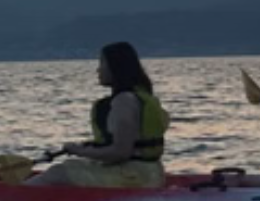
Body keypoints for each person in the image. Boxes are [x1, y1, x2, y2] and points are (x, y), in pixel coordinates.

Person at [30, 41, 169, 187]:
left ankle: (18, 194)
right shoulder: (141, 96)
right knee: (73, 165)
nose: (98, 70)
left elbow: (120, 153)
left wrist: (79, 151)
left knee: (58, 172)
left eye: (102, 63)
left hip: (133, 178)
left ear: (116, 67)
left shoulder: (124, 101)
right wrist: (88, 148)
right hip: (150, 174)